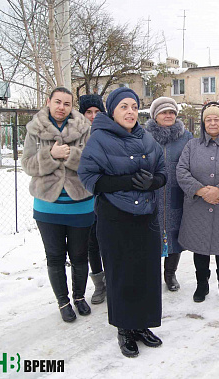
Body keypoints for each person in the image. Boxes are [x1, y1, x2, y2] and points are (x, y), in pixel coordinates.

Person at [78, 87, 166, 358]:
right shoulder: (99, 139)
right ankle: (125, 329)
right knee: (121, 274)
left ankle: (142, 325)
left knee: (147, 273)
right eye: (123, 107)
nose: (130, 112)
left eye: (133, 106)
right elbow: (89, 178)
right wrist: (127, 182)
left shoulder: (147, 137)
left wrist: (154, 181)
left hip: (147, 216)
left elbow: (163, 171)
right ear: (112, 111)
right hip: (115, 217)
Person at [21, 87, 94, 323]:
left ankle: (80, 297)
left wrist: (69, 154)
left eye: (67, 103)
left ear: (72, 105)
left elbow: (93, 162)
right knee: (54, 257)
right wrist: (50, 154)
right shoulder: (34, 129)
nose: (62, 107)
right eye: (57, 102)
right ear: (49, 102)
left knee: (80, 256)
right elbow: (28, 165)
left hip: (80, 205)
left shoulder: (84, 128)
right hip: (48, 207)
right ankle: (63, 302)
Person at [176, 102, 219, 303]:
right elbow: (181, 171)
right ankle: (202, 284)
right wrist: (200, 190)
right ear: (203, 122)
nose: (213, 123)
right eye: (209, 119)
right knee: (200, 249)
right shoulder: (192, 145)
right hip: (197, 207)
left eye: (217, 119)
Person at [145, 97, 193, 291]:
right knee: (151, 235)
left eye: (172, 112)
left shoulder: (186, 137)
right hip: (151, 193)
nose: (168, 115)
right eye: (164, 112)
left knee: (175, 234)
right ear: (155, 115)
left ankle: (170, 273)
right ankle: (151, 274)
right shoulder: (143, 136)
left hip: (177, 193)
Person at [78, 94, 107, 305]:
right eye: (89, 112)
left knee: (110, 241)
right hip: (84, 197)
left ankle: (113, 280)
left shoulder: (110, 133)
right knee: (91, 244)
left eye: (97, 112)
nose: (93, 116)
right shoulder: (76, 135)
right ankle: (99, 284)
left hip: (107, 196)